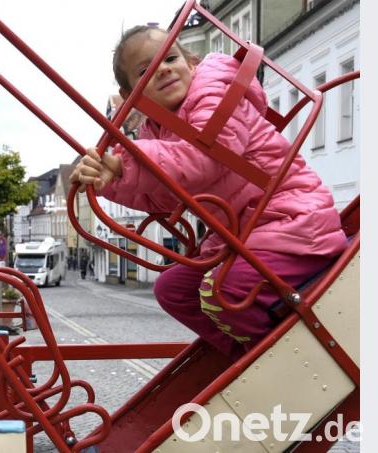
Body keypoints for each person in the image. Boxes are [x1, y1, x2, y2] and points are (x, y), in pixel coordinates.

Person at [69, 25, 346, 360]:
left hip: (292, 223)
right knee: (172, 290)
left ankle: (286, 359)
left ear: (192, 62)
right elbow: (167, 197)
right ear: (131, 96)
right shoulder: (155, 131)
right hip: (245, 235)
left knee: (224, 291)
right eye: (145, 71)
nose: (163, 69)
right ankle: (243, 356)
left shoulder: (215, 92)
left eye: (170, 58)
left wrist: (126, 163)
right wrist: (109, 181)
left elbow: (204, 158)